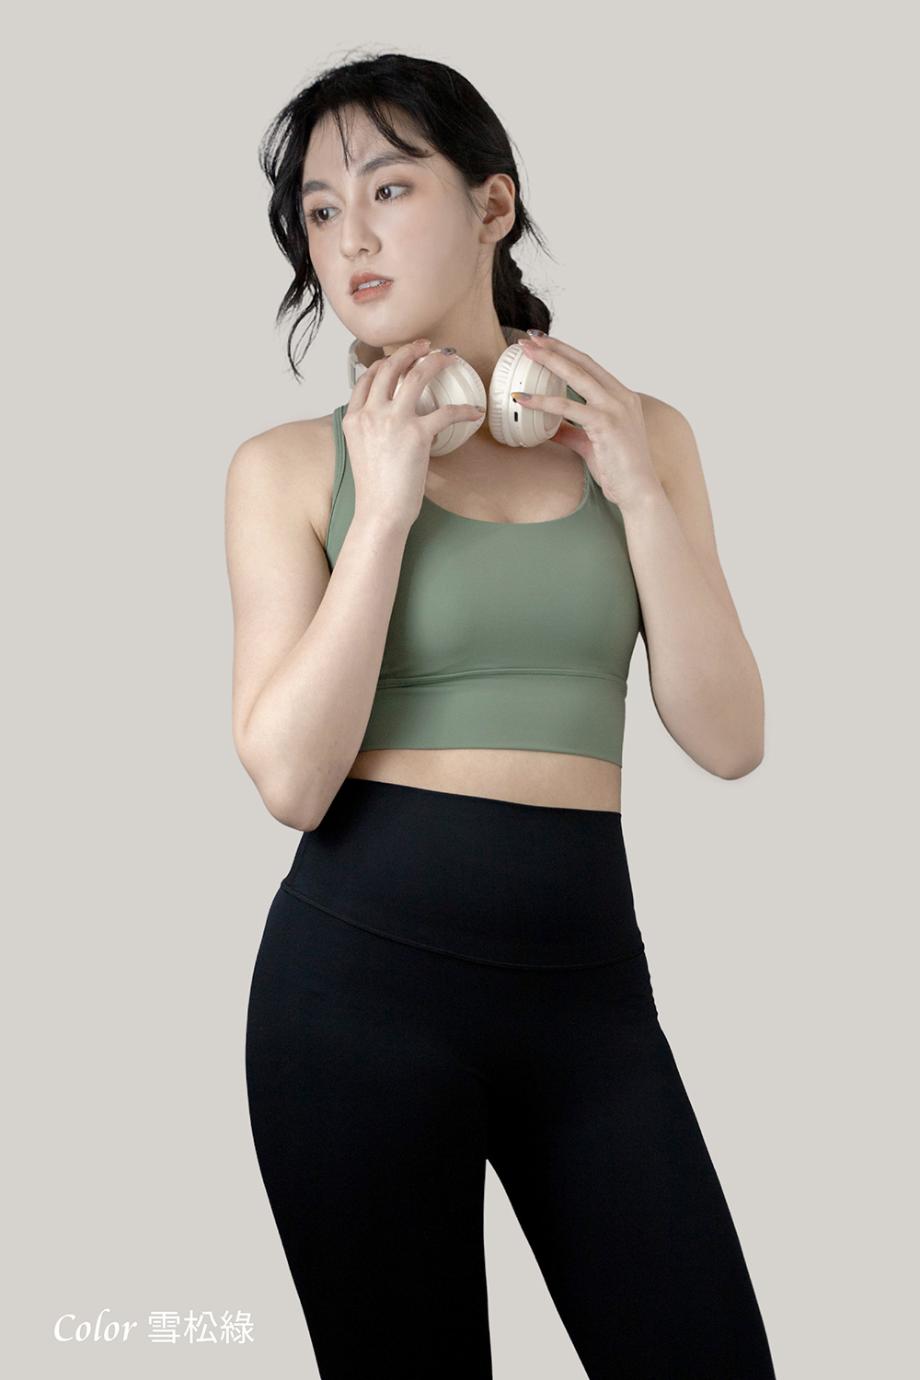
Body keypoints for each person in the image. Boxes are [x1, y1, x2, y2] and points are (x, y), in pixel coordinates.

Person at [225, 50, 777, 1380]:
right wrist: (385, 507)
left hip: (592, 1007)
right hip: (352, 1005)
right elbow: (292, 779)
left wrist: (638, 490)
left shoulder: (648, 438)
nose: (349, 238)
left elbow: (729, 739)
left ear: (492, 204)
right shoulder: (288, 470)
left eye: (388, 188)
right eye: (319, 210)